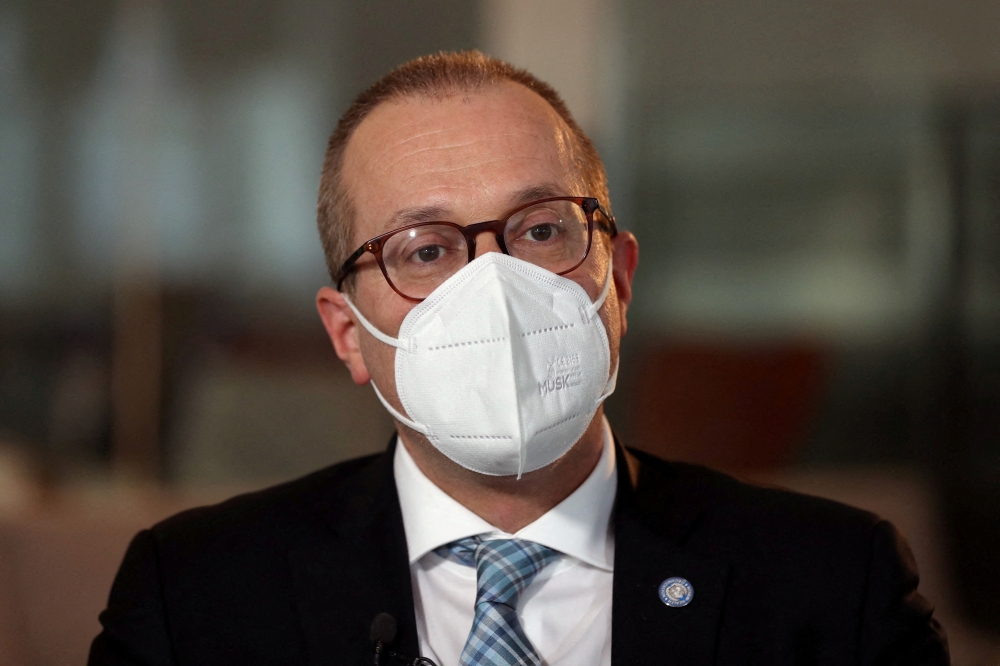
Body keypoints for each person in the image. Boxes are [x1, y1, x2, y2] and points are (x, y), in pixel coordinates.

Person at [89, 51, 948, 666]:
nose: (495, 285)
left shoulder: (835, 588)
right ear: (348, 334)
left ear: (619, 280)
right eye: (425, 250)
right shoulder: (193, 597)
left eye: (540, 231)